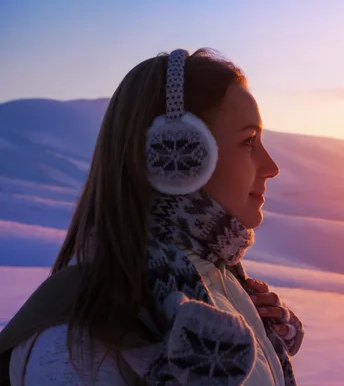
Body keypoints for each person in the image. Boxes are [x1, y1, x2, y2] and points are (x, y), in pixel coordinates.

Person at [0, 48, 304, 385]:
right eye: (249, 140)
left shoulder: (220, 280)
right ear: (178, 155)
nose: (272, 167)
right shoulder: (78, 347)